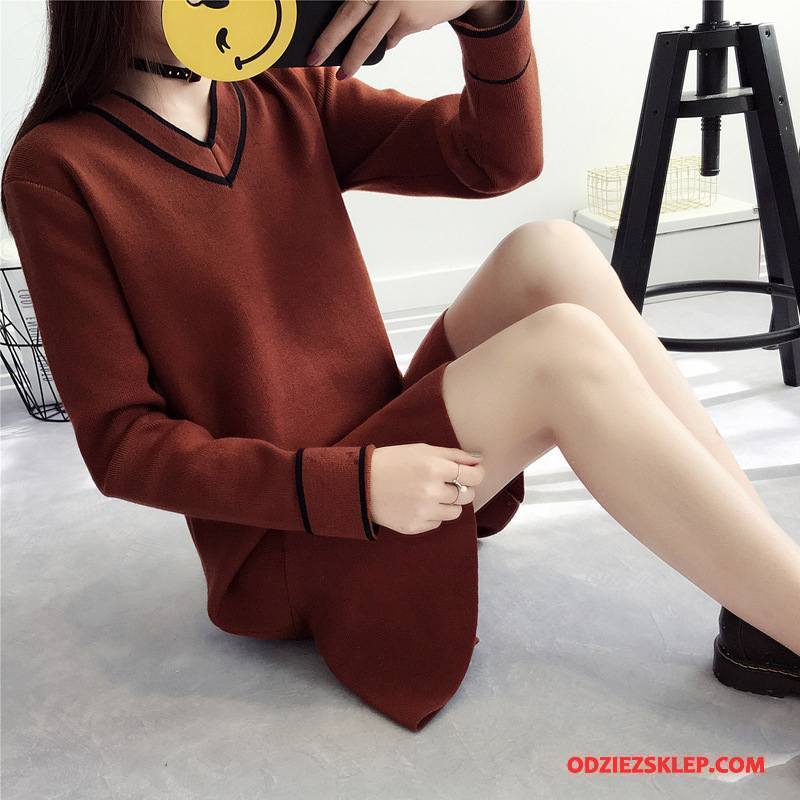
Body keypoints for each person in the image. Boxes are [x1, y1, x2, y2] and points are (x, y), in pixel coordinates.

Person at [1, 0, 798, 732]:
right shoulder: (59, 168)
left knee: (549, 251)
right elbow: (123, 445)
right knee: (562, 350)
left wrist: (484, 13)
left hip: (390, 455)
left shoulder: (285, 92)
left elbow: (493, 159)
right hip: (291, 540)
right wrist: (353, 487)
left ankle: (768, 605)